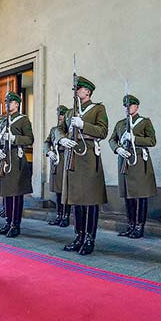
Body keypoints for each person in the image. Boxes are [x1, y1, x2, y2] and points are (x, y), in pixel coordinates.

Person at [57, 76, 108, 255]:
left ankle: (89, 239)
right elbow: (59, 128)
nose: (76, 92)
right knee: (77, 200)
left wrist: (83, 125)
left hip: (88, 157)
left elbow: (103, 131)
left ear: (87, 92)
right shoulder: (71, 112)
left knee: (90, 200)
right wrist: (61, 138)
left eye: (79, 89)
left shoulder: (98, 109)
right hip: (73, 157)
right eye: (75, 89)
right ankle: (78, 236)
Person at [109, 95, 157, 239]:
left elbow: (152, 140)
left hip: (139, 161)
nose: (127, 108)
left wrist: (135, 139)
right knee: (128, 195)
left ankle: (139, 226)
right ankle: (130, 225)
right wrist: (117, 149)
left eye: (130, 105)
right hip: (124, 160)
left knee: (141, 196)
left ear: (136, 107)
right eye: (125, 106)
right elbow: (112, 139)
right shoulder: (120, 124)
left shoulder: (144, 122)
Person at [0, 91, 34, 238]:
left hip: (16, 158)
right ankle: (8, 222)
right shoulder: (2, 121)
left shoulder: (23, 120)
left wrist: (14, 138)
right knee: (6, 192)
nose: (8, 104)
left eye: (11, 102)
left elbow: (29, 139)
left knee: (16, 192)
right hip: (3, 157)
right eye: (6, 102)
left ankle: (16, 225)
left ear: (17, 104)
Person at [44, 105, 71, 227]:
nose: (60, 117)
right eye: (59, 115)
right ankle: (59, 215)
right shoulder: (54, 130)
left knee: (65, 191)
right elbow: (47, 142)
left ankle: (66, 216)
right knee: (58, 191)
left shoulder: (69, 130)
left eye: (62, 115)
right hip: (55, 161)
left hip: (65, 159)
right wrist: (48, 152)